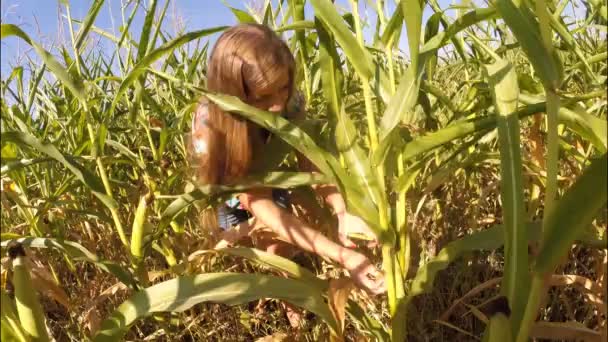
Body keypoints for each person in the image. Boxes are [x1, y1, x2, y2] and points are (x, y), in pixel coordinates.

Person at [189, 23, 385, 296]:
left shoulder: (291, 102)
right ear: (236, 95)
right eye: (264, 97)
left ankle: (293, 312)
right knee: (241, 255)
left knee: (279, 252)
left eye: (283, 87)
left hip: (271, 173)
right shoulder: (212, 127)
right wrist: (345, 257)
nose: (279, 104)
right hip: (229, 185)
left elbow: (309, 162)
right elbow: (256, 201)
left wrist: (342, 210)